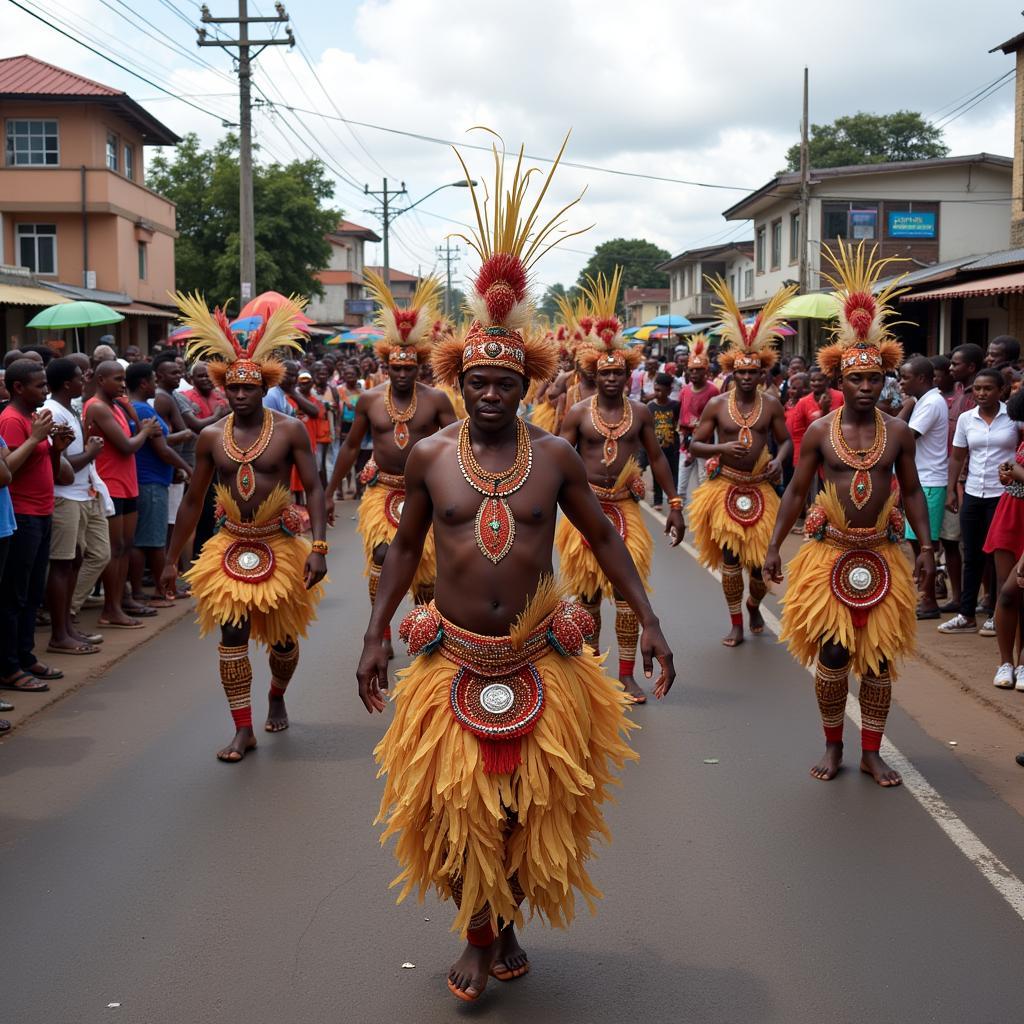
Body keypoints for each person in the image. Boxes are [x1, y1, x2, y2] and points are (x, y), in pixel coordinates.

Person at [361, 149, 675, 1002]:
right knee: (462, 811)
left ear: (526, 383)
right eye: (478, 381)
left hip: (540, 653)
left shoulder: (558, 456)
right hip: (452, 655)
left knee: (528, 813)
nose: (491, 394)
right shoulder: (430, 456)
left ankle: (507, 924)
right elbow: (401, 552)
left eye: (505, 382)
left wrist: (645, 616)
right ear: (458, 382)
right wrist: (373, 635)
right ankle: (474, 933)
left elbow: (606, 541)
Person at [764, 242, 934, 788]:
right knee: (835, 653)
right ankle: (834, 744)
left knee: (881, 660)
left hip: (883, 552)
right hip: (829, 553)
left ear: (886, 379)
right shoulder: (819, 431)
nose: (865, 388)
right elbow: (795, 491)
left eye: (873, 380)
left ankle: (872, 751)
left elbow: (910, 491)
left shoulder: (900, 433)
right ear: (841, 382)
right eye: (855, 380)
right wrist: (772, 545)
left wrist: (927, 547)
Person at [160, 293, 327, 762]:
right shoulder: (212, 437)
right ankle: (243, 728)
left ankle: (276, 693)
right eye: (232, 389)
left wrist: (318, 547)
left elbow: (312, 488)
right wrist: (173, 560)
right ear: (224, 389)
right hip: (229, 545)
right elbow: (193, 500)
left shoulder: (290, 429)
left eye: (248, 389)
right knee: (231, 636)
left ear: (262, 388)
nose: (239, 395)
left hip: (281, 543)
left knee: (284, 642)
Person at [557, 268, 685, 702]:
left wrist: (675, 503)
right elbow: (558, 460)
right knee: (588, 595)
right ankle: (592, 671)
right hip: (585, 509)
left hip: (626, 508)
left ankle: (627, 674)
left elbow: (656, 459)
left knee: (627, 593)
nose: (612, 379)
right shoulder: (577, 413)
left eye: (619, 374)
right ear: (596, 375)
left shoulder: (642, 413)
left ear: (628, 375)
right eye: (605, 374)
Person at [325, 272, 456, 663]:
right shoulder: (369, 400)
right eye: (396, 368)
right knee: (383, 554)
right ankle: (380, 630)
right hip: (382, 489)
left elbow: (455, 447)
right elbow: (351, 446)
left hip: (426, 491)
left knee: (427, 569)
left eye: (409, 368)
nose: (402, 374)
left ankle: (424, 628)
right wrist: (330, 493)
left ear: (418, 366)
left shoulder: (436, 400)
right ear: (386, 366)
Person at [688, 279, 794, 648]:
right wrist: (722, 449)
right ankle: (735, 622)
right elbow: (695, 443)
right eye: (741, 372)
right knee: (731, 561)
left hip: (762, 489)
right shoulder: (718, 405)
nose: (746, 377)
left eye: (753, 372)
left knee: (761, 567)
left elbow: (786, 442)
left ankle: (753, 605)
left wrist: (779, 461)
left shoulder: (772, 405)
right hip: (725, 488)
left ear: (762, 374)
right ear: (733, 372)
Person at [0, 359, 75, 692]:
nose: (46, 391)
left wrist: (55, 448)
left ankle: (25, 656)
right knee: (14, 595)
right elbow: (8, 472)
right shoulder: (11, 420)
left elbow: (54, 469)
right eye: (39, 385)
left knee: (32, 592)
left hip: (42, 511)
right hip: (22, 514)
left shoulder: (34, 419)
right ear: (19, 387)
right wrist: (35, 439)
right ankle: (9, 666)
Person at [939, 368, 1022, 635]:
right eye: (977, 388)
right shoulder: (966, 419)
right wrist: (951, 490)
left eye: (988, 388)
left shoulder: (1014, 418)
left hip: (1004, 497)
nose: (982, 393)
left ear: (1001, 391)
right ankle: (966, 614)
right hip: (974, 492)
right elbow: (958, 457)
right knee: (971, 554)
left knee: (996, 557)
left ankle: (995, 614)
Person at [84, 361, 161, 629]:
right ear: (100, 379)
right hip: (110, 484)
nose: (122, 384)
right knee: (114, 548)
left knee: (126, 545)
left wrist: (131, 411)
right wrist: (145, 431)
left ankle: (120, 602)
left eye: (124, 379)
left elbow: (141, 430)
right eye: (117, 379)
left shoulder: (118, 405)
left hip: (128, 483)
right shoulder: (96, 406)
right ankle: (110, 609)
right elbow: (128, 445)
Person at [42, 357, 109, 655]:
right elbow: (61, 468)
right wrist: (92, 452)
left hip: (83, 494)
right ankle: (59, 634)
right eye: (80, 377)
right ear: (68, 383)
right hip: (64, 496)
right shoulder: (53, 412)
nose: (85, 381)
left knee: (77, 561)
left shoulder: (69, 408)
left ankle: (68, 627)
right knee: (62, 564)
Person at [126, 362, 192, 608]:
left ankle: (151, 590)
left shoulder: (139, 407)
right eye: (153, 380)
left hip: (153, 479)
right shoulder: (142, 410)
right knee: (151, 541)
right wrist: (187, 469)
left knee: (148, 539)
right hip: (150, 481)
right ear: (143, 383)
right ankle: (157, 591)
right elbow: (162, 449)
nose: (155, 385)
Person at [900, 356, 949, 618]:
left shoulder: (931, 403)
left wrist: (906, 407)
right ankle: (926, 594)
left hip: (930, 481)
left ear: (921, 379)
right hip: (920, 479)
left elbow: (906, 437)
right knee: (916, 542)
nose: (900, 382)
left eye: (905, 377)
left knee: (926, 543)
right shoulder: (922, 401)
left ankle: (930, 599)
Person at [987, 387, 1024, 688]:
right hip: (1011, 513)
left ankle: (1022, 663)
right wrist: (1009, 474)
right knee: (1007, 592)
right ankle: (1006, 663)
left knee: (1016, 590)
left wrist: (1018, 471)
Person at [677, 336, 719, 503]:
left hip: (705, 444)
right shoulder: (685, 390)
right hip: (686, 442)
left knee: (704, 482)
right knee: (681, 484)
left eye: (698, 369)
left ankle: (704, 517)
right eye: (691, 370)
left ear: (706, 371)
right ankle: (678, 514)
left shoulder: (713, 391)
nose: (694, 373)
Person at [789, 366, 844, 467]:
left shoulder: (840, 397)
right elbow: (798, 433)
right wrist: (798, 460)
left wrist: (825, 410)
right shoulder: (803, 402)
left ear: (827, 380)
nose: (816, 383)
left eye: (820, 380)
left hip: (837, 450)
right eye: (813, 380)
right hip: (812, 453)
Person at [648, 372, 680, 508]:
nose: (658, 393)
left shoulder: (676, 405)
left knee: (673, 473)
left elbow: (678, 422)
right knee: (657, 474)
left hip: (672, 446)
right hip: (656, 447)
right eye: (656, 390)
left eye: (661, 390)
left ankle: (673, 498)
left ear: (669, 390)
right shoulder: (650, 407)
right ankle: (657, 500)